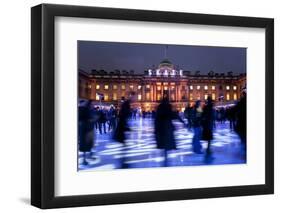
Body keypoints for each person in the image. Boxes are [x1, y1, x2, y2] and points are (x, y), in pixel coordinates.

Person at [154, 96, 178, 167]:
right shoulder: (167, 106)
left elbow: (157, 117)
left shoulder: (160, 107)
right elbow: (173, 115)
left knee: (164, 141)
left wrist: (156, 128)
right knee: (167, 141)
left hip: (162, 127)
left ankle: (165, 155)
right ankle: (165, 155)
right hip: (166, 127)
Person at [78, 100, 95, 165]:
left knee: (89, 143)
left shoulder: (89, 110)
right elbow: (81, 119)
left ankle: (90, 155)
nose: (93, 105)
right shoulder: (83, 110)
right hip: (84, 130)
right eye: (92, 104)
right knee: (85, 145)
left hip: (89, 129)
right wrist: (90, 120)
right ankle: (84, 160)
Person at [201, 96, 214, 162]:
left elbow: (202, 114)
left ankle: (208, 148)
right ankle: (208, 148)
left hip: (207, 123)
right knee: (209, 136)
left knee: (208, 136)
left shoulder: (206, 107)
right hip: (208, 123)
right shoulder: (210, 107)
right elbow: (210, 115)